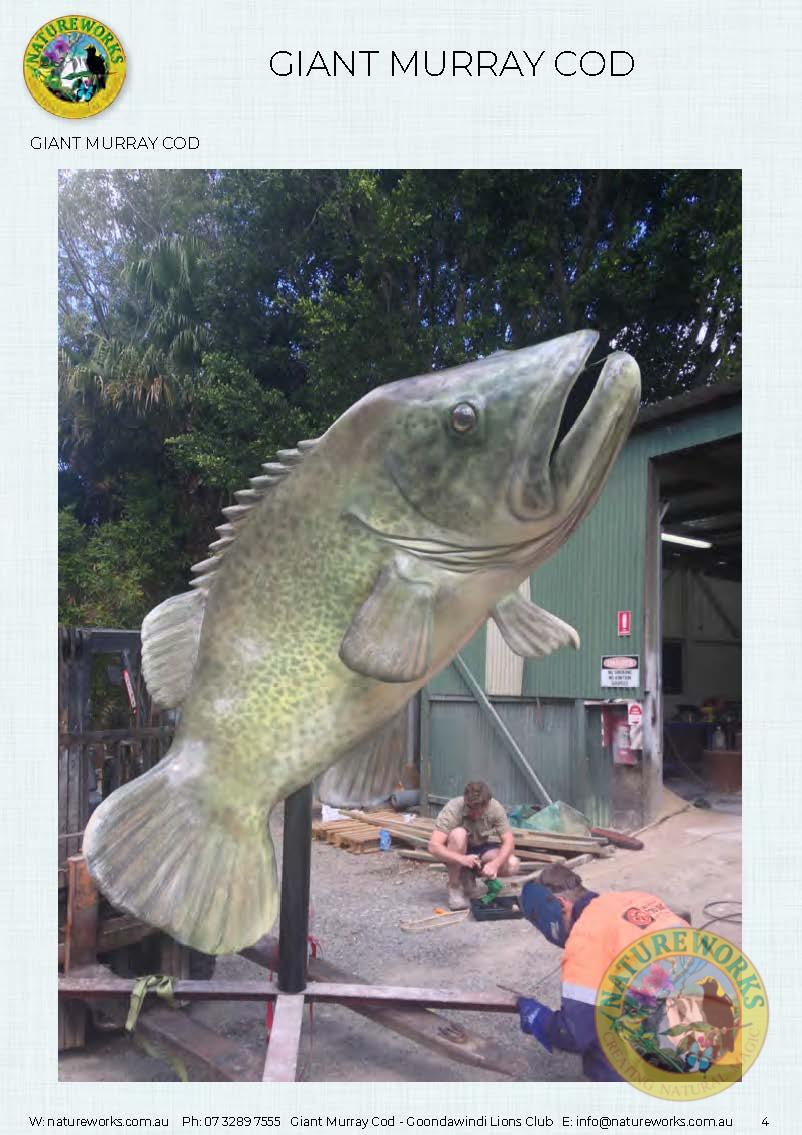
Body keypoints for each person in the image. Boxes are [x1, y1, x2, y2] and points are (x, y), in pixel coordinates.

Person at [516, 864, 689, 1080]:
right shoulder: (634, 898)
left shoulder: (586, 938)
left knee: (604, 1045)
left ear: (561, 905)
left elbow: (577, 1033)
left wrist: (537, 1017)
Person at [428, 780, 520, 910]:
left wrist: (495, 864)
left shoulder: (495, 808)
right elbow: (433, 846)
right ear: (466, 802)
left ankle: (468, 875)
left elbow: (509, 841)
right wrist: (462, 859)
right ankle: (454, 887)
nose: (475, 815)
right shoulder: (454, 808)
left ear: (487, 804)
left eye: (479, 811)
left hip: (480, 847)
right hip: (456, 849)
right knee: (458, 835)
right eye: (471, 809)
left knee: (512, 864)